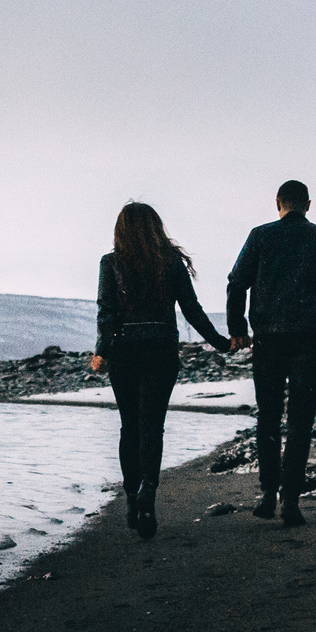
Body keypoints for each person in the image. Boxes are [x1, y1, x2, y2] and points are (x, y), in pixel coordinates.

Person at [225, 179, 316, 527]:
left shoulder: (260, 236)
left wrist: (238, 328)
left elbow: (236, 283)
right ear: (308, 205)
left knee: (268, 415)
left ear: (278, 203)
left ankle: (268, 493)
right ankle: (290, 500)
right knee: (301, 419)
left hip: (269, 338)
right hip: (310, 339)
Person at [91, 202, 229, 539]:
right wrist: (220, 342)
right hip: (161, 350)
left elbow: (106, 311)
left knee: (129, 427)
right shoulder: (170, 262)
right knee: (153, 426)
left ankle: (130, 496)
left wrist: (101, 352)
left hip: (124, 352)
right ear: (156, 227)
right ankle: (148, 493)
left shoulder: (110, 263)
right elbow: (191, 309)